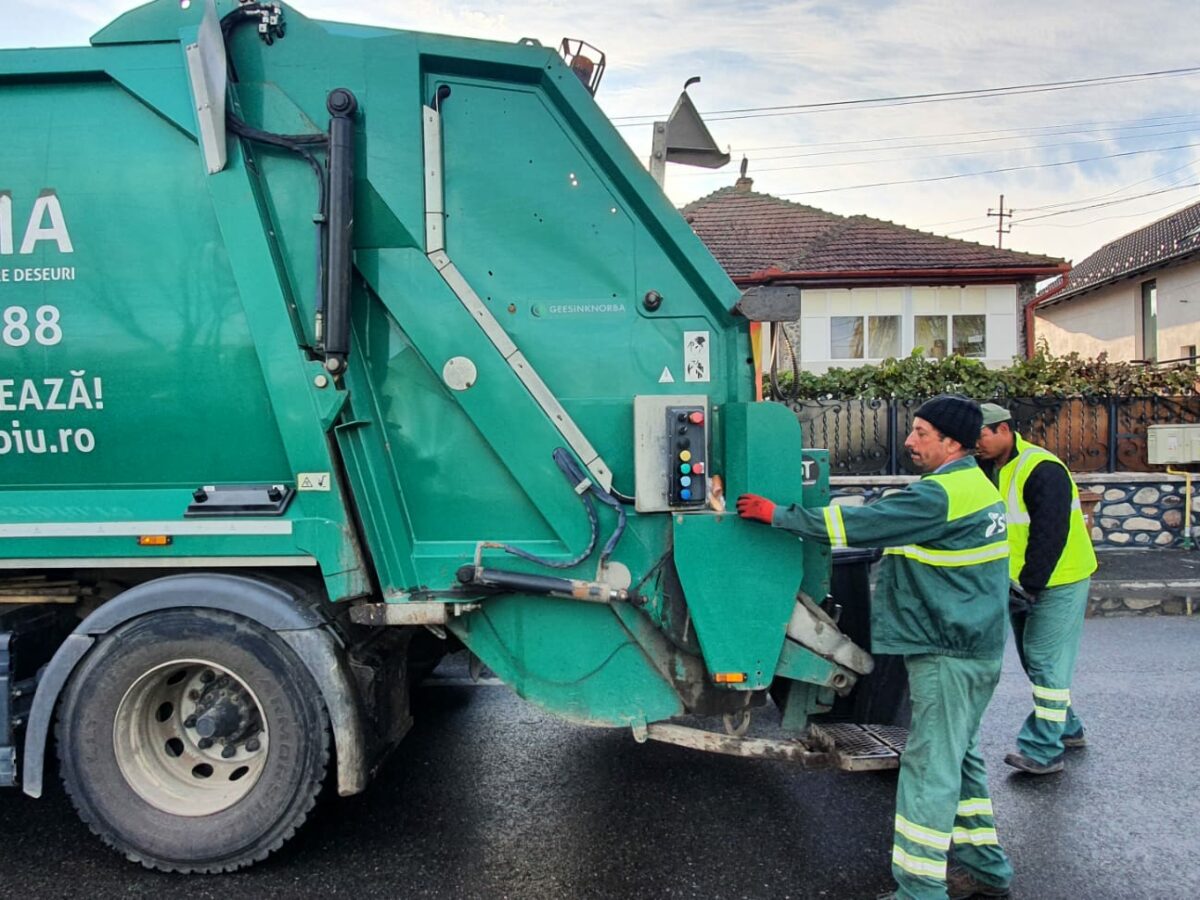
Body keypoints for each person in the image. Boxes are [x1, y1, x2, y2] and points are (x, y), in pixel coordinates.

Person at [737, 394, 1012, 900]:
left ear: (953, 443)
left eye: (922, 433)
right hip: (975, 646)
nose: (910, 441)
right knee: (961, 756)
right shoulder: (974, 485)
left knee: (929, 766)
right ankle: (986, 866)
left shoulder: (940, 496)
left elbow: (854, 525)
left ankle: (921, 888)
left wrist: (777, 514)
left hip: (948, 652)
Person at [975, 403, 1098, 776]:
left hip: (1059, 578)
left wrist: (1030, 586)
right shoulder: (987, 468)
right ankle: (1069, 728)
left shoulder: (1042, 469)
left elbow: (1050, 535)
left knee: (1044, 661)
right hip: (1017, 581)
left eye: (980, 435)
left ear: (1003, 430)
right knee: (1036, 663)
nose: (974, 444)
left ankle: (1043, 749)